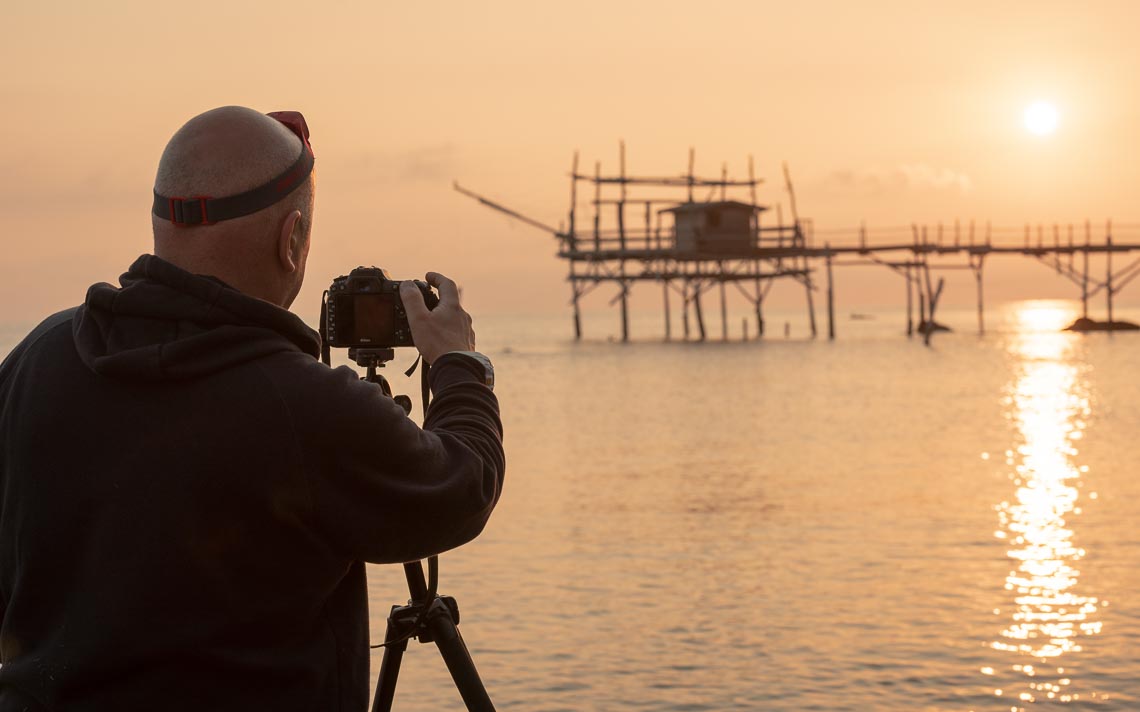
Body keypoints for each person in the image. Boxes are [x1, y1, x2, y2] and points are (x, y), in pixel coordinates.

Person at [0, 107, 505, 711]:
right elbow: (461, 486)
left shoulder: (37, 359)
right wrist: (458, 367)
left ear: (161, 219)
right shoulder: (300, 404)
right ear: (290, 239)